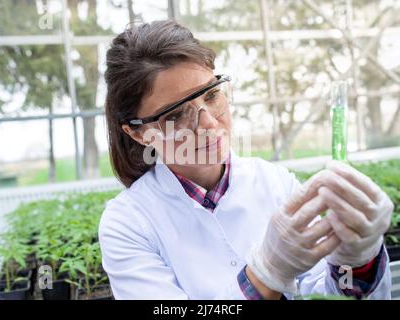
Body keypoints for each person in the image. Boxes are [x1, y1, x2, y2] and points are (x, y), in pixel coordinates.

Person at [98, 20, 394, 300]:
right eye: (175, 115)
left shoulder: (276, 183)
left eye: (211, 95)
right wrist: (266, 274)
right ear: (139, 133)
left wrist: (358, 262)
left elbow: (325, 291)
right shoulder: (128, 223)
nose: (209, 125)